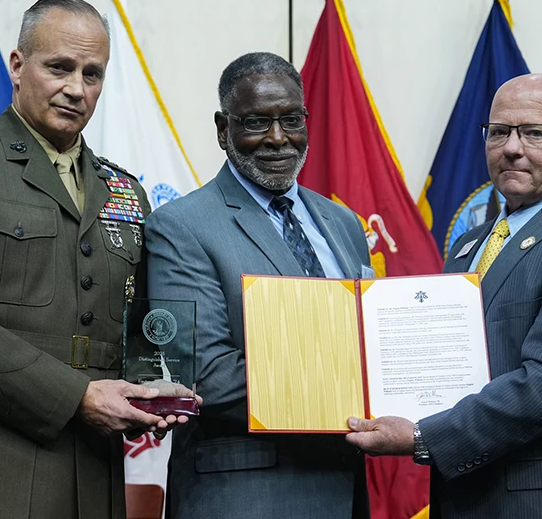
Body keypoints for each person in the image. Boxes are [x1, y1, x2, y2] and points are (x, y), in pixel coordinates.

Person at [0, 0, 195, 519]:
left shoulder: (125, 192)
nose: (76, 88)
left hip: (91, 484)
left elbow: (136, 329)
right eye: (59, 67)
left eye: (92, 74)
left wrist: (152, 390)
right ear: (18, 66)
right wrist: (78, 397)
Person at [346, 74, 542, 518]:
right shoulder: (471, 243)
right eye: (500, 132)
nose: (511, 147)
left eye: (535, 133)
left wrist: (420, 436)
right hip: (467, 498)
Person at [145, 52, 372, 518]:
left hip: (344, 490)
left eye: (291, 119)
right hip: (245, 495)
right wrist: (359, 389)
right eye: (255, 122)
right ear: (223, 129)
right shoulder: (181, 226)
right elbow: (206, 374)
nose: (277, 138)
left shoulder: (343, 222)